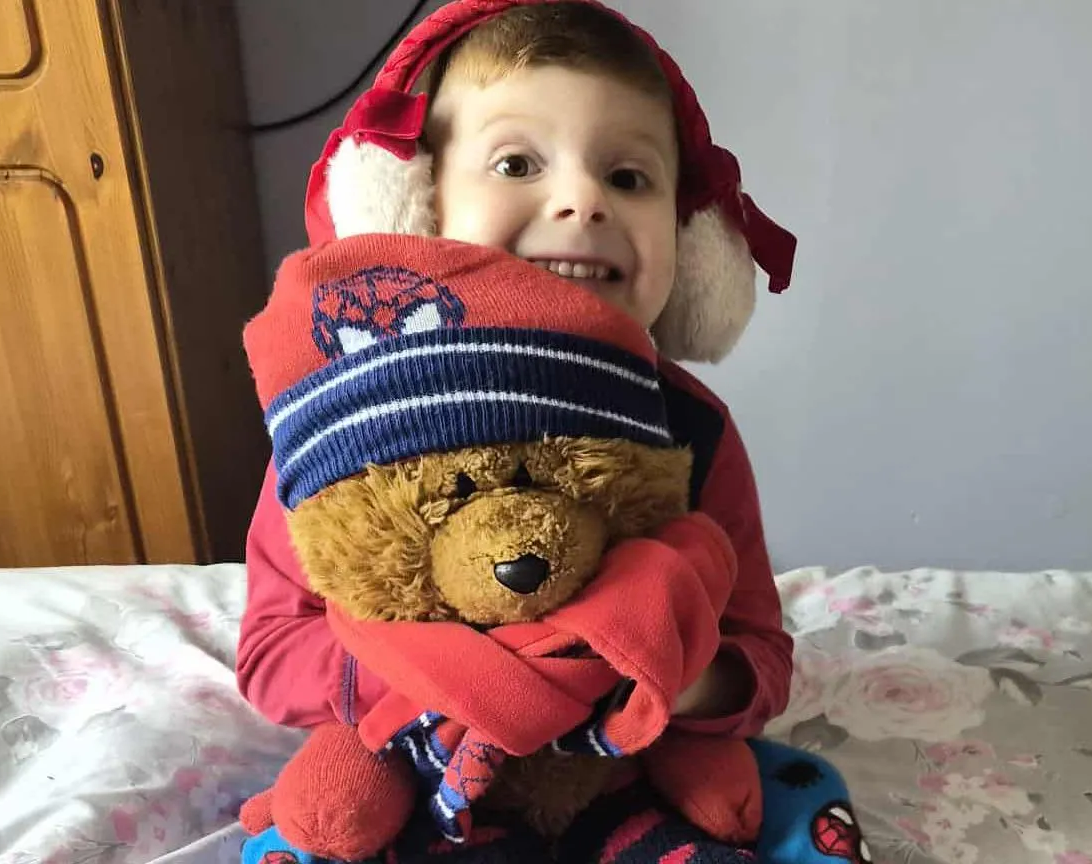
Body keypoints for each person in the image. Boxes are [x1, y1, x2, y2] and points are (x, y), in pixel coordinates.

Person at [237, 2, 818, 861]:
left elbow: (759, 654)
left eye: (628, 178)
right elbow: (271, 652)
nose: (581, 200)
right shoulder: (348, 415)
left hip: (622, 778)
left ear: (695, 251)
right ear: (412, 208)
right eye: (516, 162)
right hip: (409, 773)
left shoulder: (693, 426)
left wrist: (673, 673)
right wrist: (449, 676)